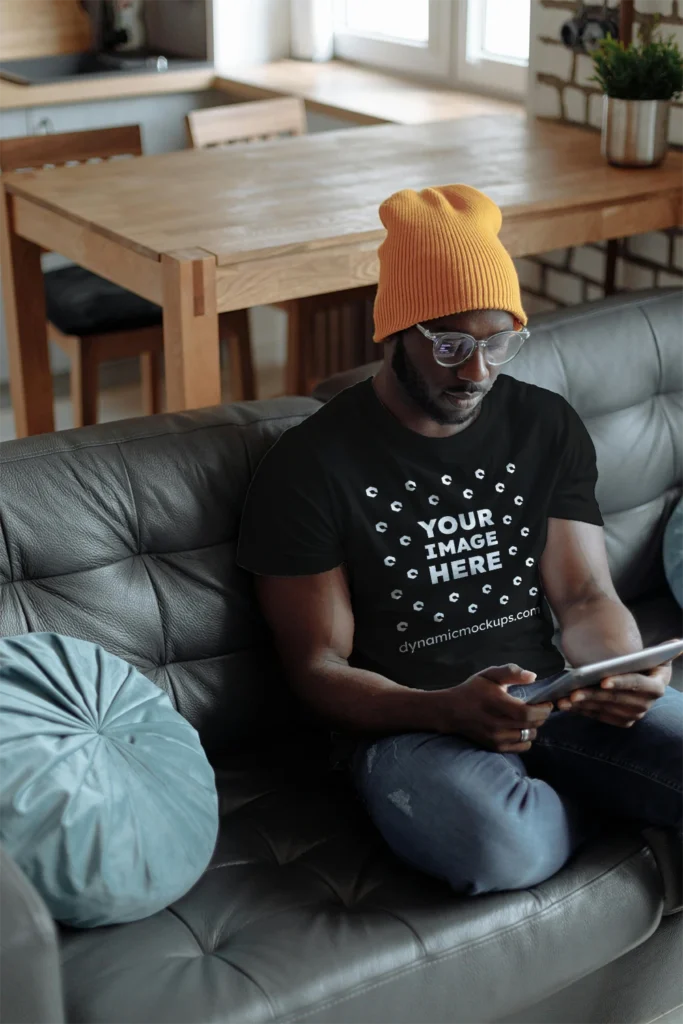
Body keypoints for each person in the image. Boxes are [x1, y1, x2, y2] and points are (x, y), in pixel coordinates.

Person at [238, 183, 681, 895]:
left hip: (552, 698)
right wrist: (442, 706)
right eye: (449, 345)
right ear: (392, 334)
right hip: (408, 728)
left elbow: (583, 593)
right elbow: (317, 666)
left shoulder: (544, 424)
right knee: (500, 848)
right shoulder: (309, 466)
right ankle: (622, 803)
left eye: (497, 342)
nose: (475, 371)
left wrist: (621, 671)